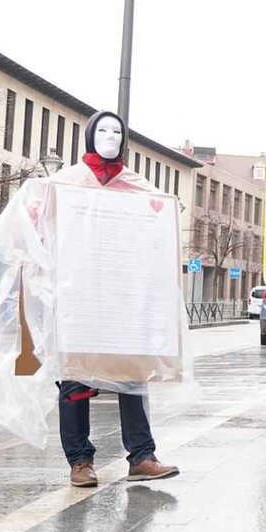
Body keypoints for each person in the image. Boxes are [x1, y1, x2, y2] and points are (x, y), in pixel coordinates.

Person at [55, 113, 179, 488]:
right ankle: (80, 461)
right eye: (103, 130)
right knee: (75, 379)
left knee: (132, 376)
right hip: (78, 297)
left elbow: (158, 231)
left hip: (124, 297)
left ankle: (142, 456)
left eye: (117, 131)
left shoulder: (138, 187)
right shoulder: (66, 182)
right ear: (91, 136)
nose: (110, 136)